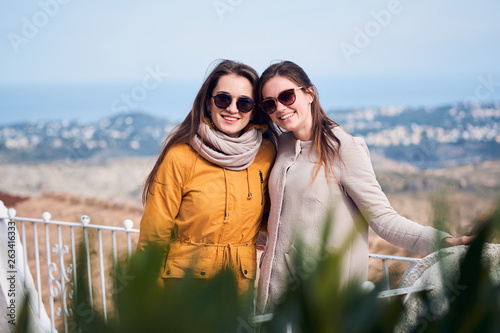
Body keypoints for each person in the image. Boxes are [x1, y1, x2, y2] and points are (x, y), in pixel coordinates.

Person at [255, 60, 474, 313]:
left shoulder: (342, 147)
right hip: (273, 301)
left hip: (323, 301)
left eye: (287, 96)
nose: (280, 108)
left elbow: (383, 220)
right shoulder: (279, 146)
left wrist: (444, 242)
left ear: (310, 94)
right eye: (270, 104)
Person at [137, 60, 276, 295]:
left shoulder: (266, 155)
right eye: (223, 99)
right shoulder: (179, 156)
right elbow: (154, 236)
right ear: (208, 102)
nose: (233, 109)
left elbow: (270, 214)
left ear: (254, 110)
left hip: (237, 290)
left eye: (244, 103)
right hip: (182, 290)